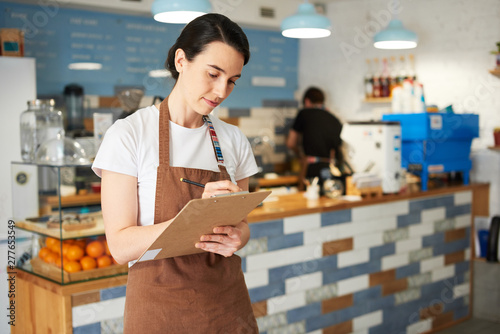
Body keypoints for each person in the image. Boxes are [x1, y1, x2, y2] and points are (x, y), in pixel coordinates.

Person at [92, 14, 259, 333]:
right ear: (181, 60)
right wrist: (193, 217)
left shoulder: (233, 139)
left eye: (232, 80)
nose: (222, 90)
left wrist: (238, 237)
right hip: (160, 312)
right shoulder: (130, 134)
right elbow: (120, 246)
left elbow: (243, 226)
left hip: (226, 308)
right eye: (213, 73)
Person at [286, 87, 343, 192]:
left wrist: (300, 155)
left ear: (307, 101)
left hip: (310, 169)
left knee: (308, 201)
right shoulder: (335, 120)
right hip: (330, 170)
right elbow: (336, 150)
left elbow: (291, 143)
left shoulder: (304, 113)